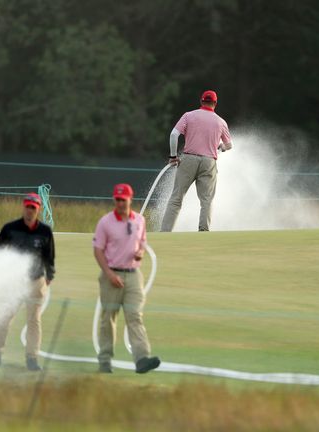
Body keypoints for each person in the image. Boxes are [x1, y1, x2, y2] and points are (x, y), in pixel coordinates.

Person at [93, 183, 160, 374]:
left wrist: (140, 253)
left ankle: (142, 359)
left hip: (133, 275)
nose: (121, 203)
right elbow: (98, 250)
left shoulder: (139, 220)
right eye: (117, 199)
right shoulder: (105, 222)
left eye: (124, 199)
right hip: (111, 274)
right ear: (114, 200)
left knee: (135, 316)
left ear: (130, 199)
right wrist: (109, 274)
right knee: (108, 319)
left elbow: (142, 242)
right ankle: (105, 361)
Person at [0, 192, 55, 371]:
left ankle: (32, 358)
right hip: (14, 282)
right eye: (27, 206)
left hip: (36, 281)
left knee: (34, 320)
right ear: (23, 207)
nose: (29, 210)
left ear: (38, 209)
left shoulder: (45, 231)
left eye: (33, 208)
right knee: (5, 317)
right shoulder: (10, 228)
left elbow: (49, 256)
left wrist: (49, 276)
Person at [161, 90, 233, 232]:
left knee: (176, 199)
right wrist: (221, 147)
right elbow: (229, 145)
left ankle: (165, 233)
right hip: (209, 162)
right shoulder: (220, 121)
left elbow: (174, 135)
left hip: (188, 160)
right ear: (215, 103)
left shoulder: (189, 115)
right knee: (206, 201)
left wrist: (173, 156)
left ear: (201, 101)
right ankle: (203, 232)